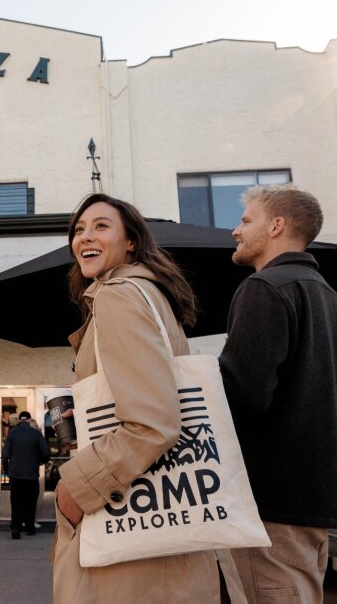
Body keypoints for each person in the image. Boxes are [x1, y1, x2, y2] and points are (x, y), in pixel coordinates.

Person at [52, 193, 221, 602]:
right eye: (78, 230)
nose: (84, 237)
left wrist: (74, 488)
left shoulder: (119, 295)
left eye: (101, 226)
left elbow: (153, 422)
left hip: (127, 517)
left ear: (131, 241)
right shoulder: (149, 294)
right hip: (167, 517)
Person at [218, 184, 337, 603]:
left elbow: (241, 396)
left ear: (276, 226)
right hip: (315, 503)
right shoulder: (332, 300)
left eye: (245, 220)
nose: (235, 232)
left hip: (269, 506)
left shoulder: (265, 287)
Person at [2, 411, 49, 540]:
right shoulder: (36, 433)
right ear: (29, 420)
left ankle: (15, 528)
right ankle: (30, 528)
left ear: (20, 420)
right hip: (31, 474)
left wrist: (7, 469)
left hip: (15, 475)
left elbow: (5, 455)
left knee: (16, 502)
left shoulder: (12, 433)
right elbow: (46, 453)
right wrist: (39, 462)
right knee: (30, 502)